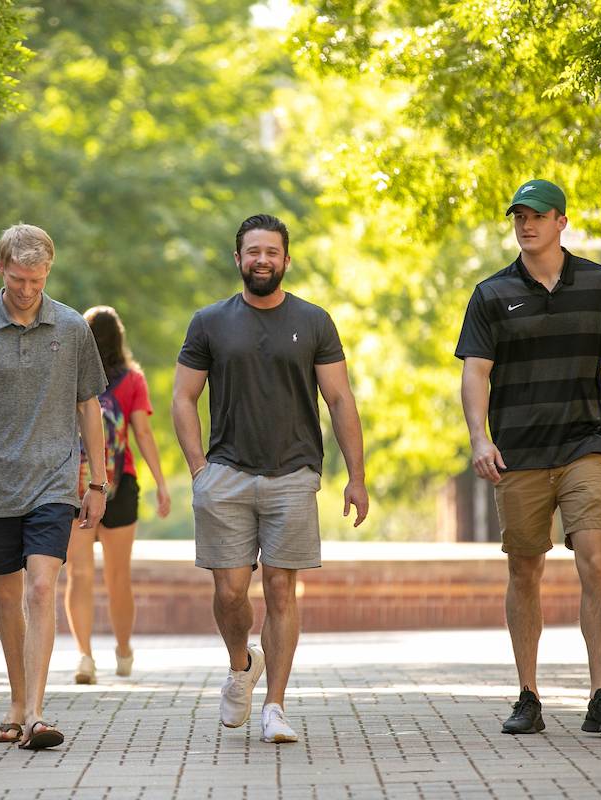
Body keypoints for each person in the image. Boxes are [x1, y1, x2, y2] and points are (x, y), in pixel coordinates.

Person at [456, 179, 601, 737]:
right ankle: (528, 694)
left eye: (537, 215)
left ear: (562, 220)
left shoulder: (600, 283)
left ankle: (600, 695)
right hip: (517, 451)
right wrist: (479, 438)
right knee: (525, 568)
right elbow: (475, 371)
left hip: (586, 442)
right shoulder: (491, 294)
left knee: (596, 557)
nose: (526, 224)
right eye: (519, 215)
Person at [171, 214, 369, 745]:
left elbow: (340, 400)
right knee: (230, 591)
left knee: (282, 590)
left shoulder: (315, 320)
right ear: (238, 259)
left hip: (293, 475)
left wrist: (357, 475)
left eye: (272, 252)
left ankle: (276, 706)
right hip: (226, 476)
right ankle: (242, 664)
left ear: (285, 259)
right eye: (253, 252)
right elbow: (183, 398)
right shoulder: (209, 321)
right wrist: (198, 469)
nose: (262, 260)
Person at [0, 223, 107, 751]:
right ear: (0, 268)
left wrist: (96, 480)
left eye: (36, 279)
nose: (27, 289)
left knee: (41, 587)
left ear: (48, 271)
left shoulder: (72, 328)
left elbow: (89, 407)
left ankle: (35, 713)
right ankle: (15, 702)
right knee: (8, 597)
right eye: (17, 278)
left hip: (54, 480)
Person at [65, 306, 171, 685]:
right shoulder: (131, 380)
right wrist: (160, 482)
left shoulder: (72, 375)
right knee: (118, 576)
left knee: (78, 575)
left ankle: (85, 657)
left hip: (76, 485)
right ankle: (123, 653)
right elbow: (142, 434)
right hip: (119, 485)